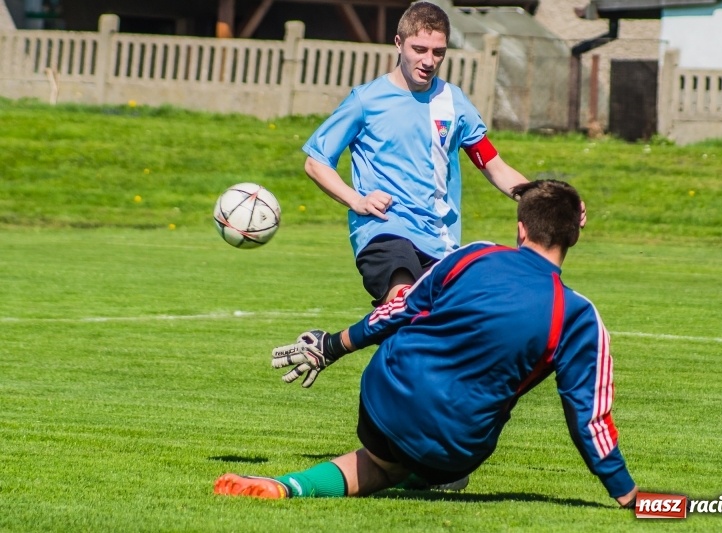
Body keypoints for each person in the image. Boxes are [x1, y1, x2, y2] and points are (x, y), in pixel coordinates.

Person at [214, 179, 638, 508]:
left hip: (382, 397)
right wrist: (628, 494)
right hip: (453, 445)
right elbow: (589, 419)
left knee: (384, 460)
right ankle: (425, 472)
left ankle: (287, 486)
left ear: (521, 228)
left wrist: (331, 346)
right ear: (575, 234)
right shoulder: (579, 317)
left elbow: (397, 310)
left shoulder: (474, 255)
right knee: (410, 463)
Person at [301, 1, 533, 307]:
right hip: (384, 230)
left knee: (441, 325)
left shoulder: (454, 103)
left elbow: (494, 166)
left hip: (439, 240)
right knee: (404, 303)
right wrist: (357, 201)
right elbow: (316, 162)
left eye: (438, 52)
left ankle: (334, 338)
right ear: (399, 43)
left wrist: (546, 200)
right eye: (419, 49)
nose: (429, 61)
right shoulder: (366, 101)